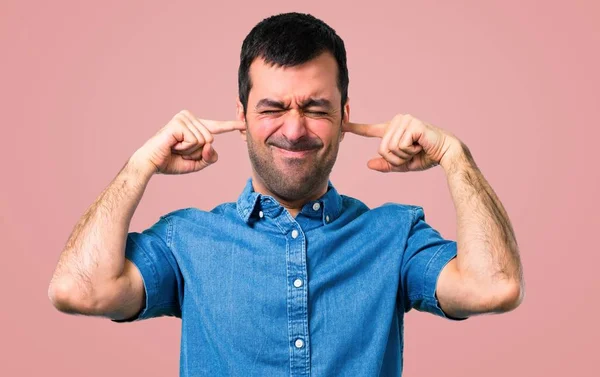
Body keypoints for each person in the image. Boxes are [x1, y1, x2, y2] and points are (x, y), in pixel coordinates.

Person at [48, 12, 524, 377]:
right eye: (272, 107)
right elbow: (78, 290)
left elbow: (493, 287)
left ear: (344, 114)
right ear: (242, 117)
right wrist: (139, 165)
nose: (294, 130)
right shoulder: (185, 240)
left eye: (316, 108)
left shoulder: (394, 236)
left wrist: (454, 155)